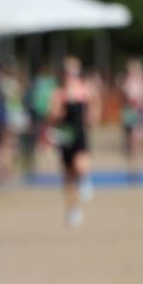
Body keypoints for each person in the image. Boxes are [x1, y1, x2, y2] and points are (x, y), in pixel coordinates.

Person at [46, 56, 98, 227]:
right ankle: (73, 209)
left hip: (80, 133)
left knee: (81, 164)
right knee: (68, 178)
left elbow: (95, 105)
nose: (70, 76)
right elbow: (52, 116)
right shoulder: (58, 93)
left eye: (74, 72)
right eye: (67, 72)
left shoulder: (85, 90)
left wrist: (92, 117)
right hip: (65, 135)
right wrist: (61, 107)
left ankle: (85, 180)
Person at [119, 57, 143, 180]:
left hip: (140, 113)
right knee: (130, 142)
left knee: (137, 140)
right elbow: (124, 98)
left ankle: (138, 168)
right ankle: (132, 167)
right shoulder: (126, 81)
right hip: (129, 113)